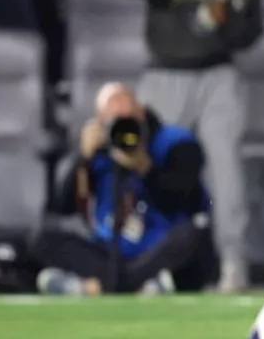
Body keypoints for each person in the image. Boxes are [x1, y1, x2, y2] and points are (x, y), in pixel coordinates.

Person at [115, 0, 263, 292]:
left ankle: (233, 264)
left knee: (226, 172)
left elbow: (253, 31)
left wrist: (222, 24)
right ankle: (141, 260)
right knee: (146, 160)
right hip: (165, 73)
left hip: (219, 73)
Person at [34, 82, 210, 295]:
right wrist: (82, 159)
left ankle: (96, 286)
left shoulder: (175, 142)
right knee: (43, 238)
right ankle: (139, 284)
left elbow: (187, 201)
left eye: (129, 119)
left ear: (142, 112)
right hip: (109, 249)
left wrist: (145, 167)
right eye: (115, 121)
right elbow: (61, 207)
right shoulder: (97, 152)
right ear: (100, 123)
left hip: (158, 245)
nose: (125, 131)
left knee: (195, 234)